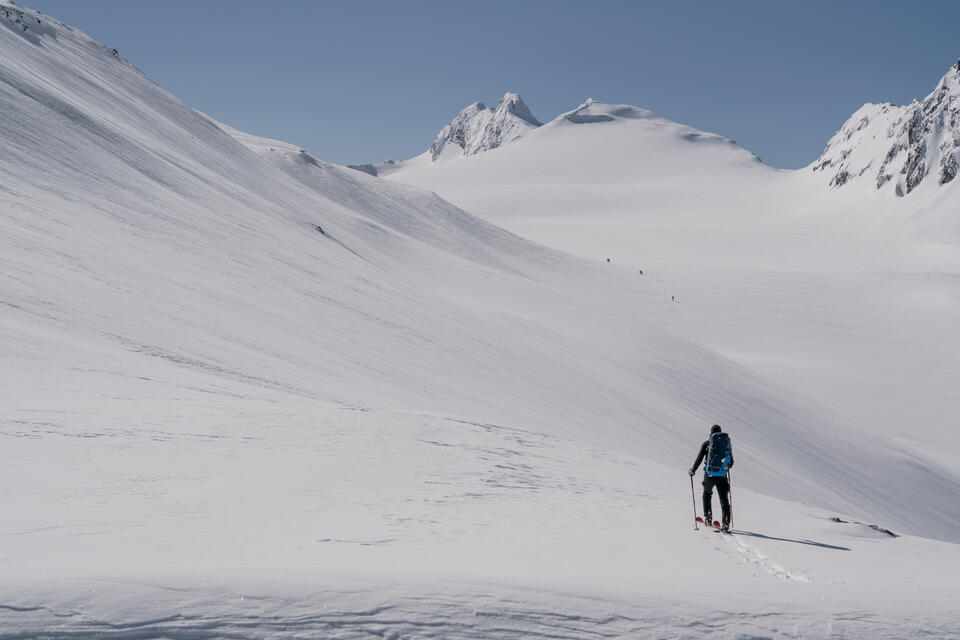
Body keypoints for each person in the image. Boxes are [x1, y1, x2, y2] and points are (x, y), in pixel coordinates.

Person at [688, 424, 734, 531]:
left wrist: (693, 470)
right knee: (724, 499)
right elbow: (731, 463)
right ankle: (726, 521)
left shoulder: (707, 444)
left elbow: (699, 458)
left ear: (711, 433)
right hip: (722, 476)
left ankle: (708, 516)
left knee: (707, 494)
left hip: (709, 475)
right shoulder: (726, 444)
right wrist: (724, 468)